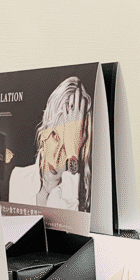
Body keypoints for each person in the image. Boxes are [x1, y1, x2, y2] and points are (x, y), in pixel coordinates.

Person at [7, 77, 91, 211]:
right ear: (45, 131)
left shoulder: (79, 196)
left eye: (67, 146)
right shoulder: (19, 178)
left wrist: (73, 155)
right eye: (55, 136)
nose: (57, 157)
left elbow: (68, 223)